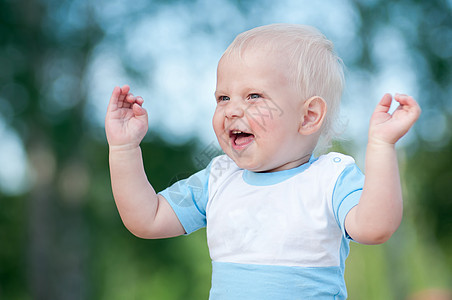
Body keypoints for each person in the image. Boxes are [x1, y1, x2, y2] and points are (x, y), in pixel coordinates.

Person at [105, 24, 421, 299]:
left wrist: (381, 145)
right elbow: (147, 219)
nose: (231, 110)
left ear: (309, 116)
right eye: (223, 98)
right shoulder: (217, 178)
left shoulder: (330, 179)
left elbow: (375, 227)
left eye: (254, 96)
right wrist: (123, 148)